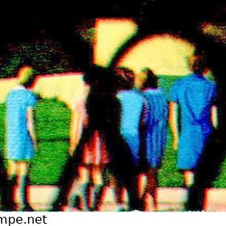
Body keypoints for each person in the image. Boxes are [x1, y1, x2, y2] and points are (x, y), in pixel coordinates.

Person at [168, 52, 217, 187]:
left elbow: (173, 113)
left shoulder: (179, 84)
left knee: (189, 170)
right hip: (205, 130)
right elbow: (214, 114)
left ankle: (191, 197)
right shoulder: (211, 86)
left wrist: (176, 136)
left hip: (187, 131)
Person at [67, 69, 110, 211]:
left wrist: (73, 142)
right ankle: (95, 205)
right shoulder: (103, 98)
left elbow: (75, 123)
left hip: (83, 138)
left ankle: (85, 207)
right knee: (99, 175)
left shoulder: (79, 98)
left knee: (84, 174)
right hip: (98, 139)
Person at [5, 66, 38, 212]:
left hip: (12, 134)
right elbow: (30, 121)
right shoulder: (29, 96)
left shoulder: (10, 95)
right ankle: (24, 203)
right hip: (24, 135)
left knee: (12, 168)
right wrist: (35, 141)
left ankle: (8, 201)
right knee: (24, 169)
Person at [137, 67, 169, 210]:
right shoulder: (162, 97)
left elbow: (142, 120)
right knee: (153, 173)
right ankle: (152, 204)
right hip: (159, 137)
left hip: (145, 138)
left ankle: (141, 201)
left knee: (142, 174)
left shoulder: (143, 97)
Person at [114, 67, 146, 210]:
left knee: (117, 174)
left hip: (117, 137)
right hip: (134, 137)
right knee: (133, 173)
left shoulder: (114, 99)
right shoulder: (140, 99)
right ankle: (134, 201)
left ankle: (119, 203)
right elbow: (143, 120)